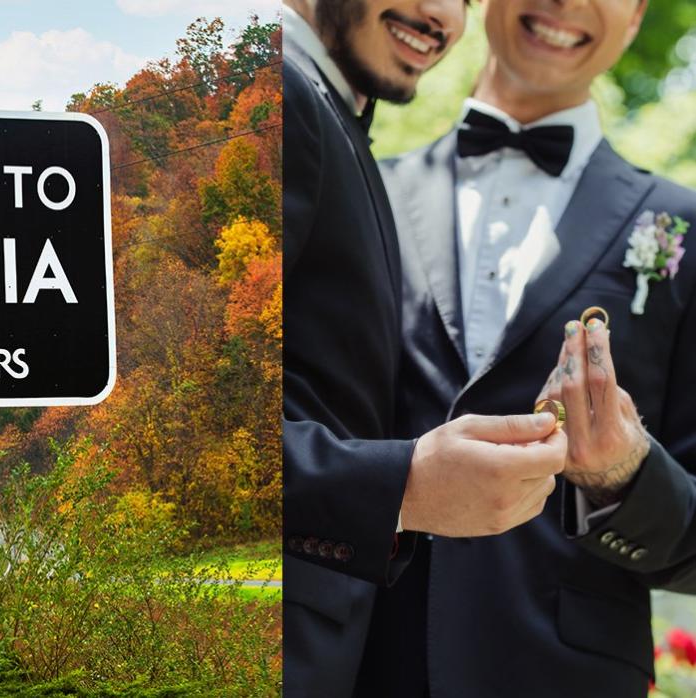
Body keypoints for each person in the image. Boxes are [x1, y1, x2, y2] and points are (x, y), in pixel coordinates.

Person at [372, 0, 696, 695]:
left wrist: (623, 479)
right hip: (361, 660)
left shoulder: (684, 229)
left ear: (636, 17)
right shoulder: (364, 192)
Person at [281, 1, 568, 695]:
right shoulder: (276, 96)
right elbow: (166, 416)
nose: (443, 15)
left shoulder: (330, 112)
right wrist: (402, 486)